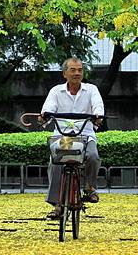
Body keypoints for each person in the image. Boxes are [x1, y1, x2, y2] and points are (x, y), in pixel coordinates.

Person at [41, 57, 104, 220]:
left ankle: (89, 188)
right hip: (64, 137)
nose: (77, 73)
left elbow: (98, 105)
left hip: (85, 135)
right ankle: (57, 204)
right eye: (73, 70)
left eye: (80, 70)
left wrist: (98, 116)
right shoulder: (56, 91)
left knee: (92, 157)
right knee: (55, 162)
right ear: (64, 73)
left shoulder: (91, 90)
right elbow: (48, 108)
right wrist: (45, 115)